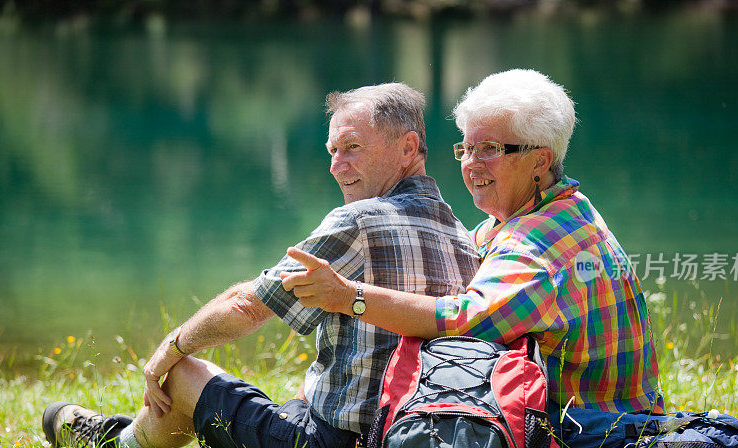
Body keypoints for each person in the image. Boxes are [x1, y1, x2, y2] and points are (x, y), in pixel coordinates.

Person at [42, 83, 480, 448]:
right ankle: (117, 433)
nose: (337, 166)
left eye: (352, 147)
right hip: (411, 443)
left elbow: (247, 306)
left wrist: (168, 348)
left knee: (183, 373)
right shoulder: (465, 238)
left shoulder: (359, 220)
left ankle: (116, 447)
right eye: (332, 151)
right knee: (281, 398)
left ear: (408, 149)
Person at [281, 69, 665, 416]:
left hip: (594, 435)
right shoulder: (554, 211)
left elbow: (464, 322)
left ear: (540, 161)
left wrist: (349, 296)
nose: (471, 163)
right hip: (597, 419)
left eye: (491, 149)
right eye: (466, 148)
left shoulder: (537, 246)